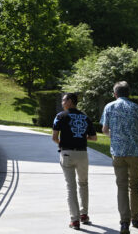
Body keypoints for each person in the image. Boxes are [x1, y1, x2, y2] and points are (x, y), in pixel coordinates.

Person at [101, 81, 138, 234]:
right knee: (133, 185)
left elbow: (104, 130)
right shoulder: (137, 108)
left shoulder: (109, 107)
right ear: (128, 93)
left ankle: (124, 223)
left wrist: (115, 137)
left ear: (115, 94)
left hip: (118, 153)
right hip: (135, 153)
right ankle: (136, 218)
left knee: (121, 186)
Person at [52, 92, 97, 230]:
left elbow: (54, 137)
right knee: (83, 183)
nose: (62, 102)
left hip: (67, 154)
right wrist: (81, 137)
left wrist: (62, 144)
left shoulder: (60, 116)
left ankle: (75, 220)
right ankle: (84, 215)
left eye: (64, 100)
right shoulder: (85, 117)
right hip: (82, 154)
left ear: (70, 101)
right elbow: (94, 137)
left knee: (71, 187)